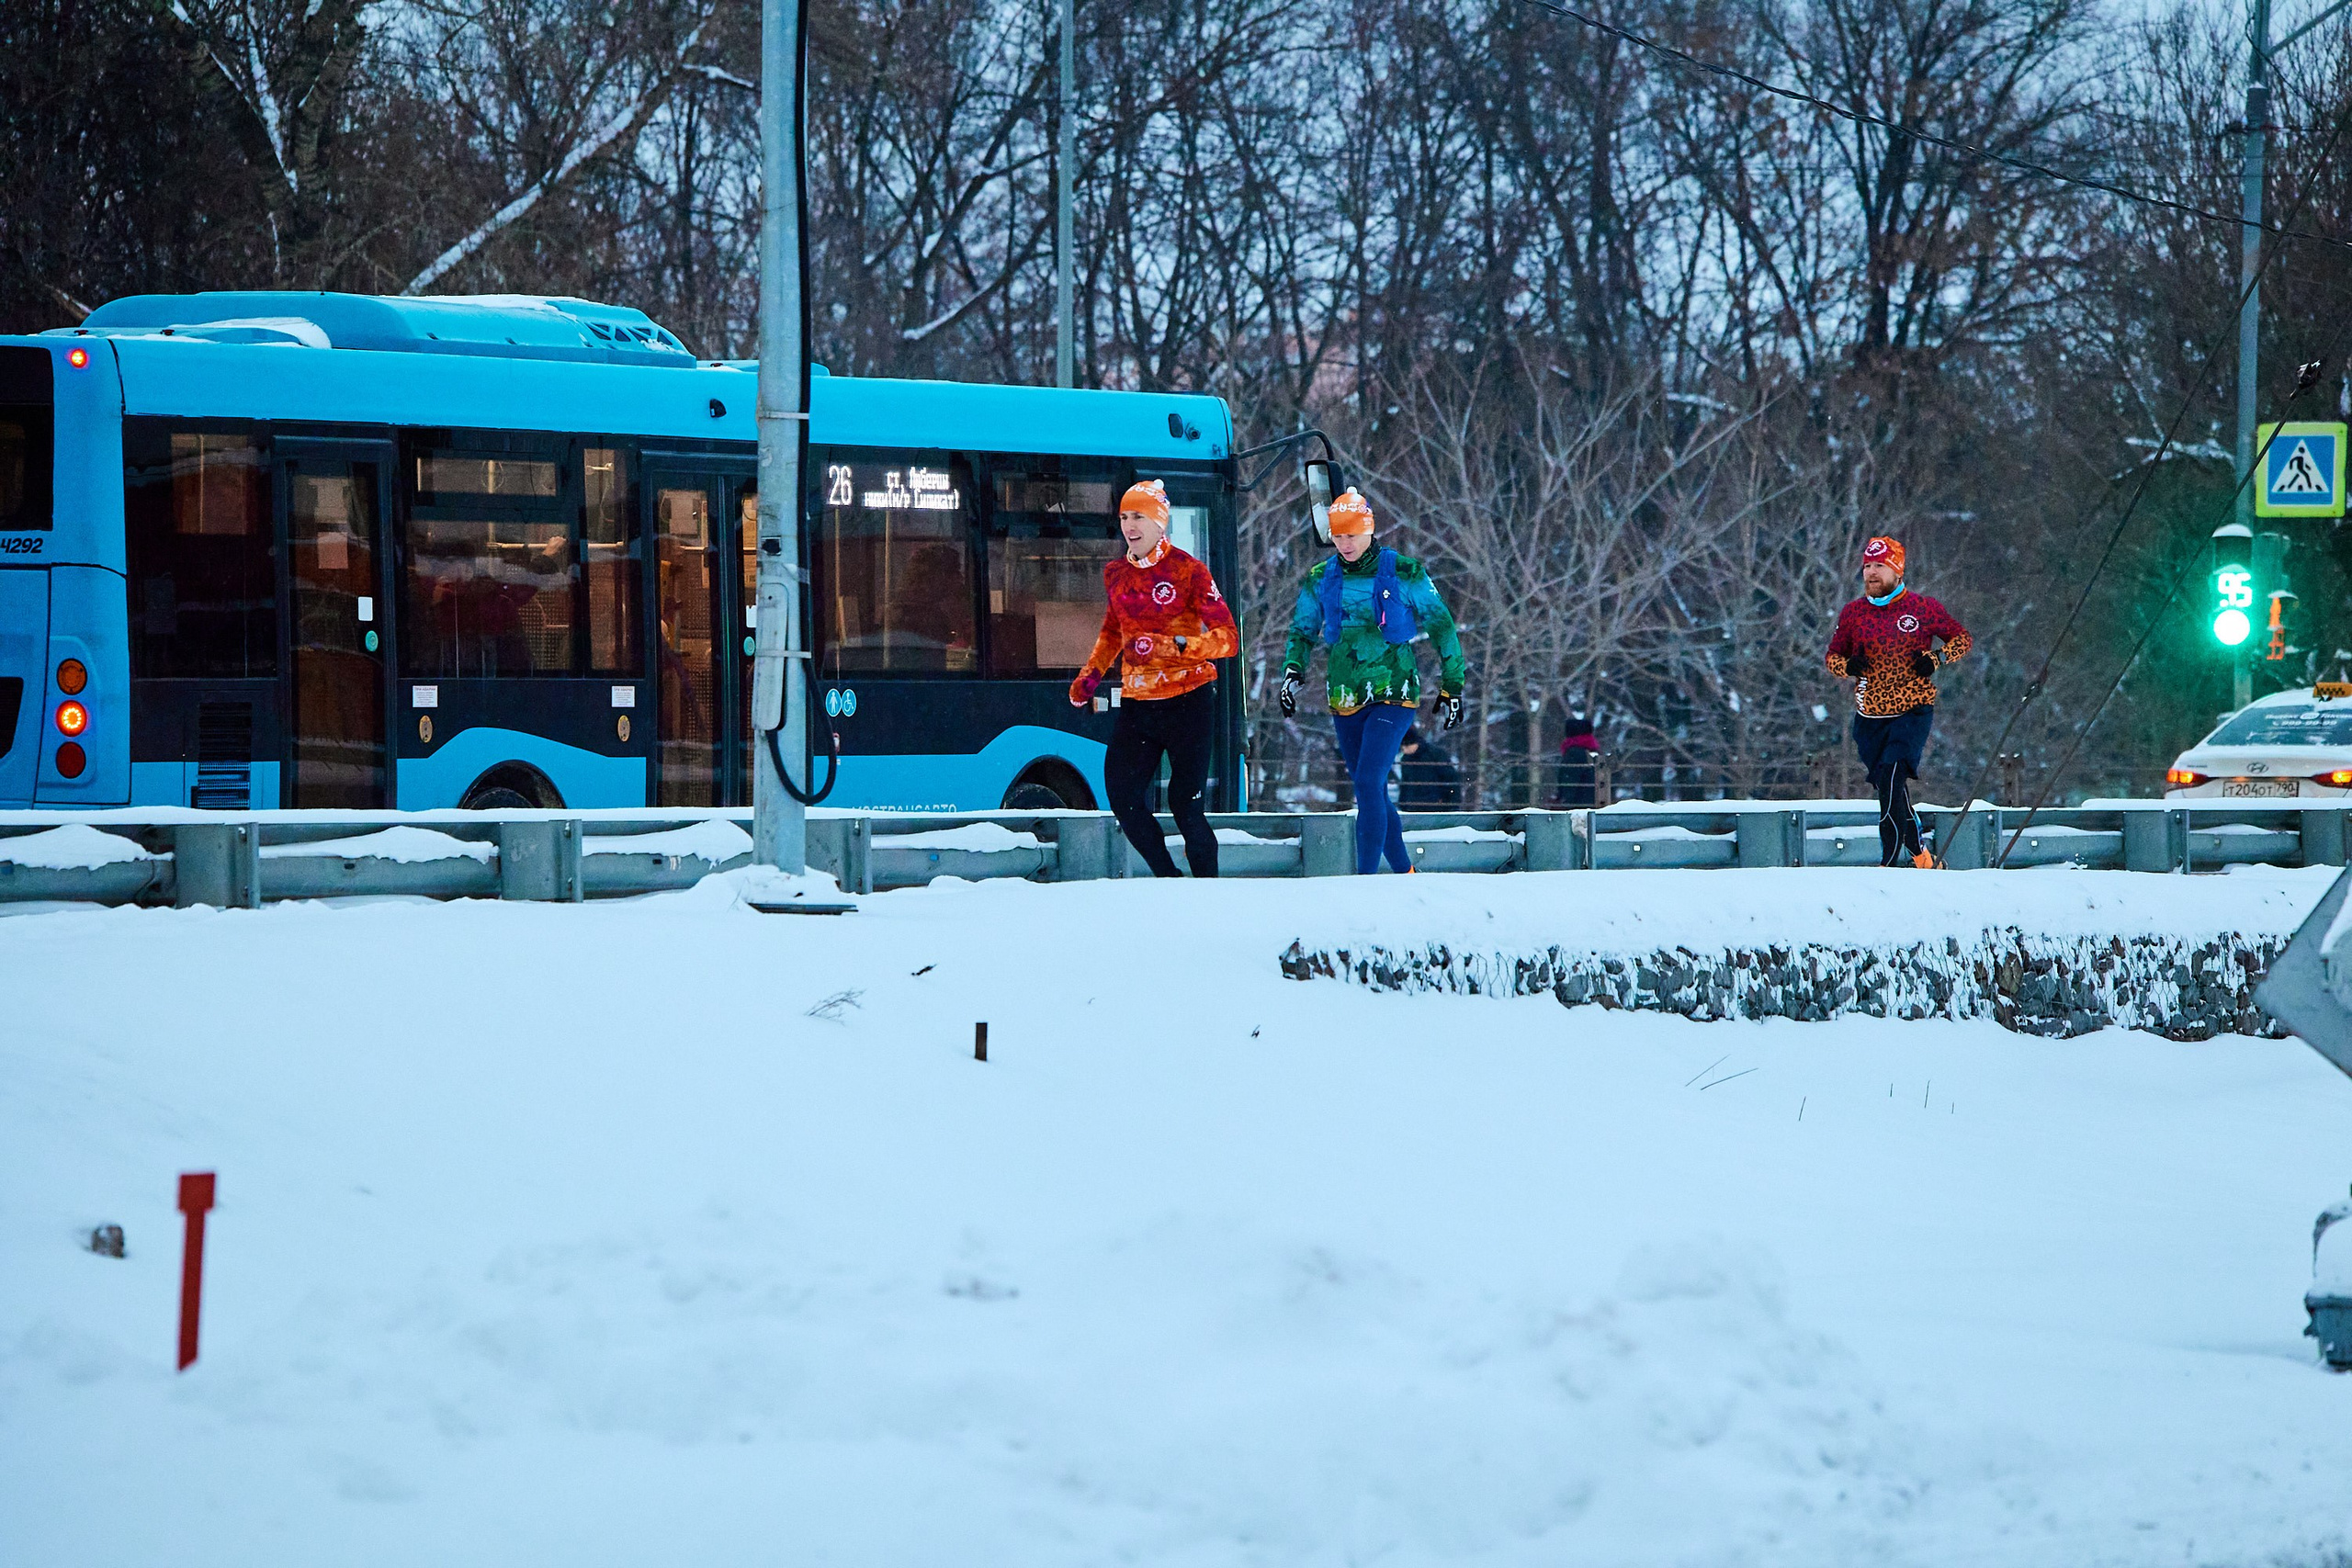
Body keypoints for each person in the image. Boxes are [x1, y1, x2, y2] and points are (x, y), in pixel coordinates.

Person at [1278, 489, 1467, 873]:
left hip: (1394, 692)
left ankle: (1364, 883)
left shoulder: (1404, 572)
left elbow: (1441, 624)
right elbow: (1302, 631)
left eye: (1352, 535)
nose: (1344, 543)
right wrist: (1293, 670)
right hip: (1344, 695)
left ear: (1369, 531)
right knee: (1373, 790)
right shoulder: (1321, 577)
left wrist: (1453, 684)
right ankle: (1407, 873)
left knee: (1367, 781)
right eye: (1338, 535)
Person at [1069, 479, 1238, 876]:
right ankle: (1168, 878)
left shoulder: (1189, 571)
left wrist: (1176, 646)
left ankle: (1209, 890)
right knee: (1123, 797)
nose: (1130, 525)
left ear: (1160, 522)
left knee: (1185, 803)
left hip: (1189, 700)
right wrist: (1089, 676)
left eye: (1139, 516)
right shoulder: (1116, 574)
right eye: (1125, 517)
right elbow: (1113, 633)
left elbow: (1228, 640)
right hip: (1138, 703)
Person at [1824, 536, 1972, 867]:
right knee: (1890, 790)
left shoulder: (1922, 608)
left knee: (1892, 776)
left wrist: (1937, 659)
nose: (1872, 573)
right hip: (1870, 717)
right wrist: (1847, 666)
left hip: (1912, 710)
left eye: (1880, 566)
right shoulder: (1854, 613)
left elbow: (1962, 639)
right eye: (1867, 566)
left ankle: (1888, 864)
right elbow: (1832, 657)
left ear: (1897, 571)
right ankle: (1921, 858)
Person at [1396, 726, 1464, 808]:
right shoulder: (1406, 759)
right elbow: (1405, 784)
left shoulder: (1436, 754)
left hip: (1436, 804)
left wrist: (1451, 803)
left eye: (1405, 747)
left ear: (1414, 743)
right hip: (1413, 806)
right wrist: (1403, 804)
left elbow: (1450, 778)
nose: (1404, 750)